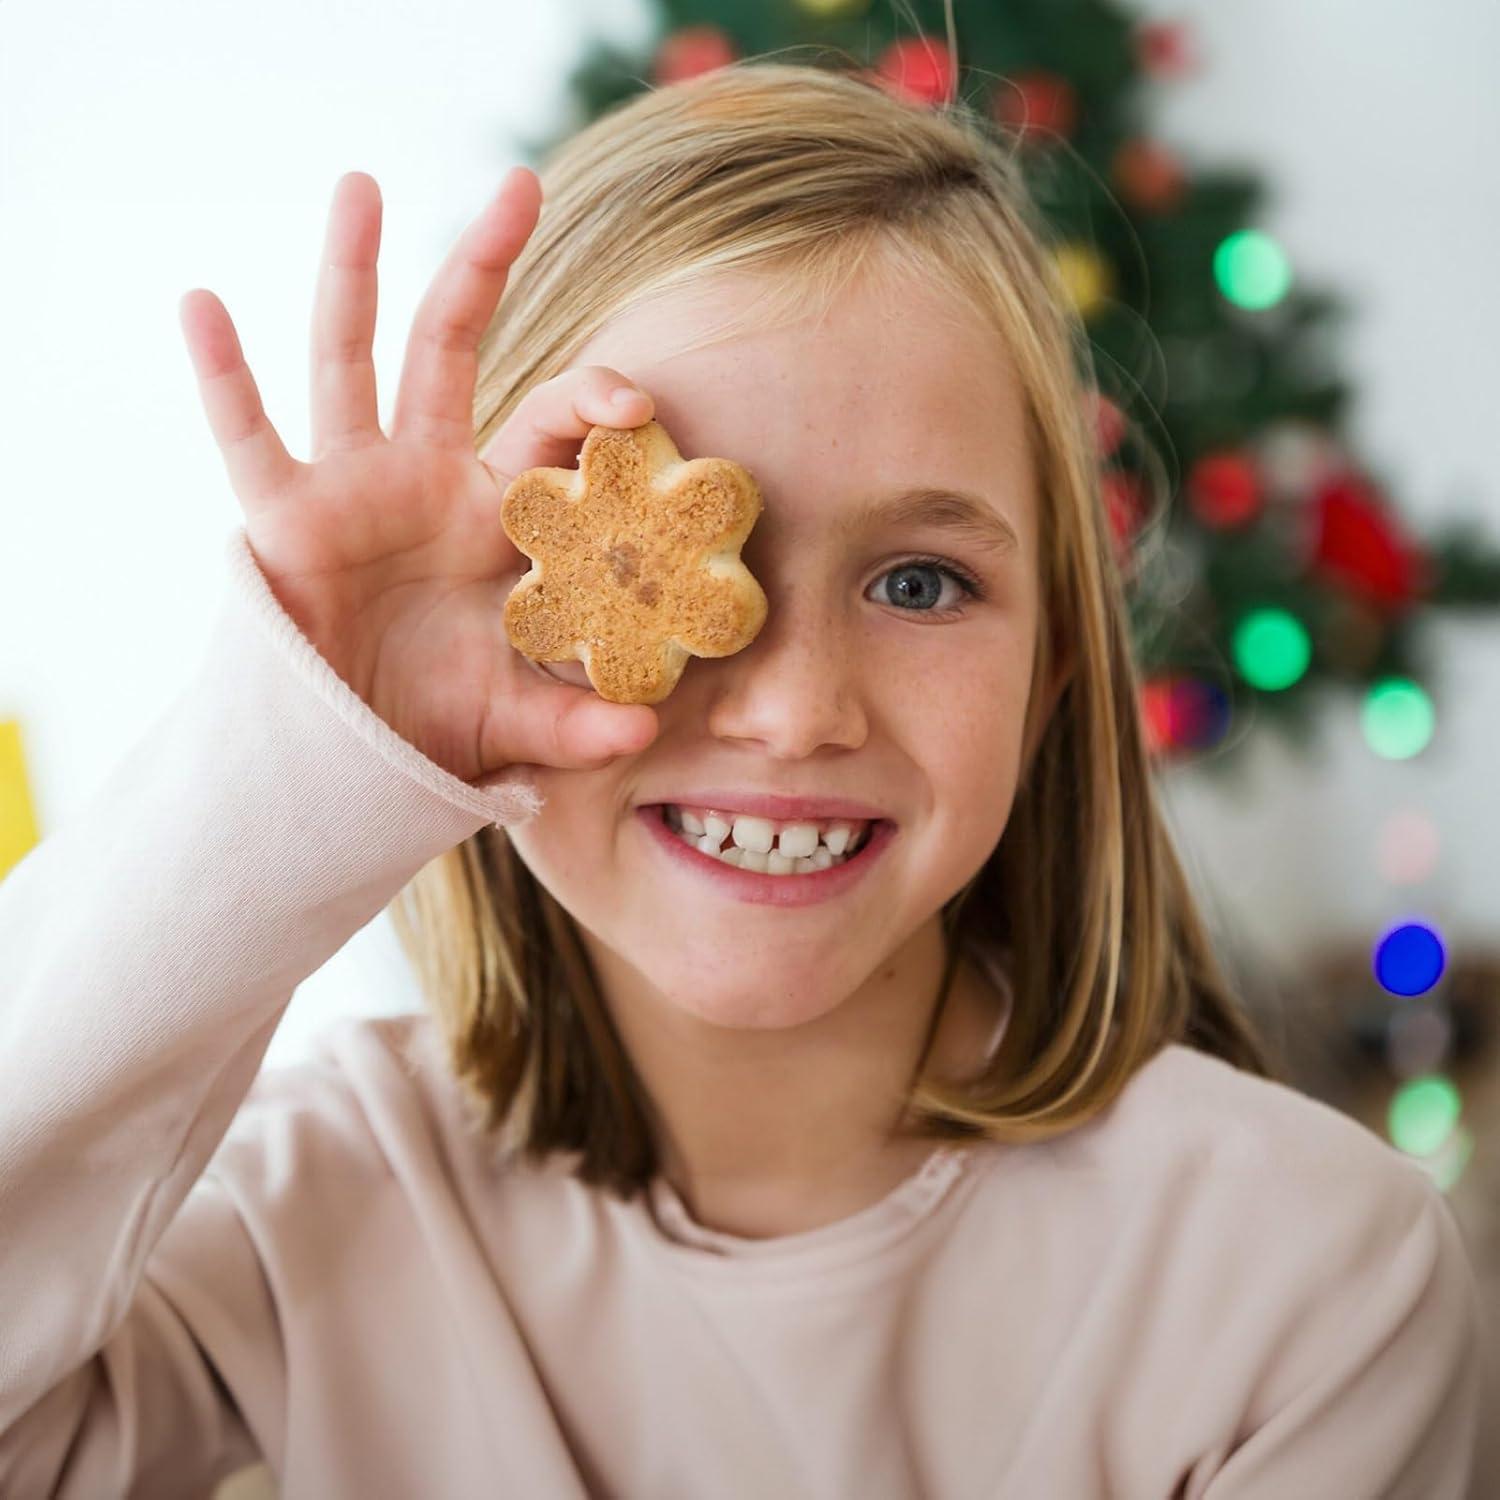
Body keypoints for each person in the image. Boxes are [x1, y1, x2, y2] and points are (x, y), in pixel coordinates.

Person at [0, 58, 1483, 1500]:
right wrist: (298, 748)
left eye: (917, 582)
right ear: (515, 600)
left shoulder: (1304, 1276)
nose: (790, 711)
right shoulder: (304, 1210)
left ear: (1054, 674)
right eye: (686, 576)